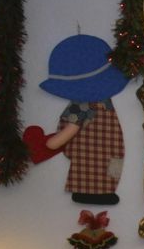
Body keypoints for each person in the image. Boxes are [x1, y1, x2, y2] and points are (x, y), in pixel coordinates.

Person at [33, 33, 132, 205]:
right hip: (110, 152)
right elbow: (68, 134)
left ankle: (95, 192)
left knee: (102, 168)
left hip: (98, 157)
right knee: (110, 168)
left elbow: (64, 135)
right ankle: (101, 192)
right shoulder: (100, 104)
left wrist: (50, 143)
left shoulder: (85, 105)